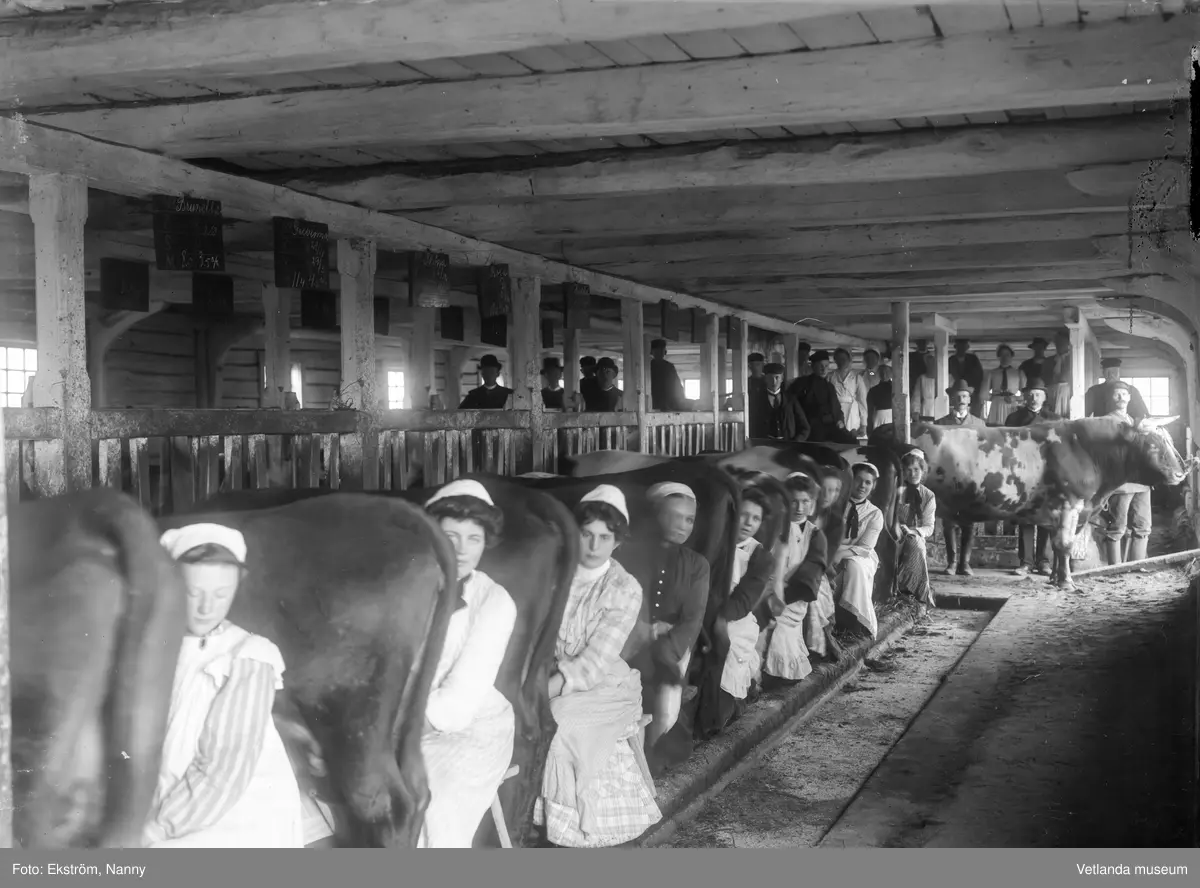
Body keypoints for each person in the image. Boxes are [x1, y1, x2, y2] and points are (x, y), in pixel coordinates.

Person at [145, 524, 304, 848]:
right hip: (170, 808)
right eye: (193, 593)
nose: (207, 608)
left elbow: (224, 771)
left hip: (232, 822)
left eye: (221, 594)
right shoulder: (158, 648)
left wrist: (155, 830)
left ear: (237, 586)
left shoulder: (248, 657)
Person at [534, 485, 661, 848]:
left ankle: (582, 829)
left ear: (617, 541)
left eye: (604, 537)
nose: (593, 546)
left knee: (560, 720)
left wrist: (542, 691)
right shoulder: (555, 575)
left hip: (603, 682)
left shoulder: (624, 588)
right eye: (586, 534)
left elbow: (593, 663)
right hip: (550, 671)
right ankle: (535, 818)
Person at [419, 480, 518, 847]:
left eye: (473, 538)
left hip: (472, 724)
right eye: (450, 536)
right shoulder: (406, 584)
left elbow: (460, 699)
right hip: (401, 717)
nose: (461, 550)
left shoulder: (495, 601)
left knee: (433, 793)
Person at [629, 482, 710, 756]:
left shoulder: (697, 565)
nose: (683, 525)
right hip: (631, 640)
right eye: (674, 516)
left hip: (674, 647)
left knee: (665, 710)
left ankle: (650, 755)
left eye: (689, 519)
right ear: (656, 515)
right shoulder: (633, 555)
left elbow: (692, 619)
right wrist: (644, 635)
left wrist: (666, 653)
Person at [762, 472, 833, 682]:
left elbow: (808, 579)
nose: (799, 507)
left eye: (805, 501)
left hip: (791, 598)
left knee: (778, 631)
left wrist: (776, 599)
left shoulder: (815, 536)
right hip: (762, 590)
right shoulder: (771, 528)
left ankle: (775, 675)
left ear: (812, 505)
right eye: (793, 501)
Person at [715, 486, 777, 724]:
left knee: (729, 647)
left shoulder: (760, 555)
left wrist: (717, 618)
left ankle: (729, 705)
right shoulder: (715, 542)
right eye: (743, 515)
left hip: (735, 617)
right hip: (705, 610)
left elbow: (744, 600)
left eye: (755, 518)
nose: (748, 522)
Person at [1005, 379, 1059, 576]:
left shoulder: (1054, 419)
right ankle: (1026, 562)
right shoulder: (1014, 419)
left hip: (1046, 473)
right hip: (1023, 473)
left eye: (1038, 394)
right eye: (1030, 394)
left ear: (1044, 397)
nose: (1033, 397)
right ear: (1025, 397)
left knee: (1045, 517)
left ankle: (1043, 561)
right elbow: (1008, 446)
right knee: (1026, 517)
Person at [935, 380, 986, 576]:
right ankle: (951, 562)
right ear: (951, 400)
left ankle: (965, 563)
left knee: (968, 521)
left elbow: (983, 452)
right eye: (957, 397)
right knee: (949, 521)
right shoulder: (940, 424)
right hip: (949, 479)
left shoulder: (979, 424)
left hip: (970, 479)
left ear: (969, 399)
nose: (961, 400)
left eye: (964, 396)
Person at [1101, 382, 1153, 565]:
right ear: (1111, 398)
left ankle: (1138, 566)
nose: (1121, 398)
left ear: (1130, 398)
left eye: (1124, 394)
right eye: (1117, 394)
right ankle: (1114, 570)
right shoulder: (1106, 422)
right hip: (1121, 482)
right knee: (1117, 526)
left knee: (1143, 525)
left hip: (1142, 481)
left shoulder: (1136, 421)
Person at [832, 464, 884, 639]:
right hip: (831, 549)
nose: (862, 486)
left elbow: (865, 547)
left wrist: (840, 554)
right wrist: (833, 552)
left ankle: (854, 621)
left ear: (873, 486)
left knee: (854, 566)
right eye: (858, 480)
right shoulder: (836, 504)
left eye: (868, 482)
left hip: (861, 555)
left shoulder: (874, 513)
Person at [786, 350, 858, 445]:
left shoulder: (829, 386)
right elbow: (793, 404)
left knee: (852, 442)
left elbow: (836, 408)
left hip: (831, 424)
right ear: (813, 367)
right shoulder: (802, 384)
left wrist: (840, 420)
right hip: (812, 426)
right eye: (820, 366)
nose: (824, 369)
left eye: (826, 366)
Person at [894, 451, 936, 607]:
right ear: (903, 471)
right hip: (892, 532)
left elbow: (929, 527)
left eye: (916, 469)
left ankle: (914, 595)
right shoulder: (896, 490)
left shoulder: (928, 495)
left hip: (913, 534)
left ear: (923, 470)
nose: (912, 474)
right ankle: (891, 590)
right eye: (908, 470)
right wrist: (896, 526)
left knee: (916, 545)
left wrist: (913, 531)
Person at [748, 361, 810, 441]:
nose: (774, 382)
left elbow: (805, 427)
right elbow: (751, 426)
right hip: (765, 446)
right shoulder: (757, 400)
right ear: (765, 379)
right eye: (770, 378)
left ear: (782, 379)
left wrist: (795, 442)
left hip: (787, 445)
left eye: (777, 378)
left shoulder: (791, 399)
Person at [1086, 357, 1149, 422]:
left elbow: (1142, 415)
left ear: (1119, 372)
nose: (1111, 375)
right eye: (1107, 372)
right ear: (1103, 373)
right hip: (1102, 426)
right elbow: (1083, 413)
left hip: (1127, 426)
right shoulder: (1094, 391)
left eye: (1114, 372)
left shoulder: (1132, 390)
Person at [830, 347, 869, 437]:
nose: (841, 362)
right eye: (839, 359)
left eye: (844, 359)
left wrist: (864, 424)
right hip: (835, 411)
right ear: (835, 360)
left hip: (852, 412)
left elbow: (862, 401)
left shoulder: (857, 377)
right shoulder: (830, 376)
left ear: (849, 360)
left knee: (851, 436)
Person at [985, 344, 1024, 426]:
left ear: (1011, 356)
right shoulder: (992, 373)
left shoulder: (1018, 373)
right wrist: (993, 398)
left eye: (1007, 355)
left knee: (1012, 426)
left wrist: (1015, 398)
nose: (1005, 357)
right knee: (996, 427)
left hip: (1012, 404)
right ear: (998, 357)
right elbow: (983, 393)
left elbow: (1025, 394)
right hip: (996, 404)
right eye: (1002, 355)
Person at [948, 338, 985, 418]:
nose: (961, 349)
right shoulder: (951, 360)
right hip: (956, 390)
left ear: (967, 348)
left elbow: (979, 375)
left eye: (963, 347)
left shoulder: (973, 359)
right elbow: (947, 375)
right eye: (959, 346)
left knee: (974, 413)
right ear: (955, 347)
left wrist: (975, 390)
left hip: (972, 390)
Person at [649, 339, 690, 412]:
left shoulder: (668, 367)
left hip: (666, 406)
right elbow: (678, 388)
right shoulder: (648, 367)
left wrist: (680, 402)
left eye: (661, 350)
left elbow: (677, 387)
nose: (659, 352)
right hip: (656, 405)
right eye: (657, 350)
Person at [1045, 329, 1073, 418]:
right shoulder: (1049, 361)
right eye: (1057, 343)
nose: (1059, 345)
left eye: (1062, 342)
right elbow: (1045, 378)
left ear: (1068, 343)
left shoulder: (1073, 359)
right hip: (1052, 391)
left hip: (1068, 392)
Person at [866, 364, 893, 431]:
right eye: (882, 372)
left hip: (887, 416)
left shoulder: (873, 390)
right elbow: (870, 410)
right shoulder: (895, 389)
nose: (884, 374)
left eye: (886, 372)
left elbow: (870, 410)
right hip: (882, 417)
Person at [914, 356, 938, 422]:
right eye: (929, 363)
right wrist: (916, 411)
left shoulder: (946, 378)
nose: (932, 365)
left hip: (942, 410)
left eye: (933, 363)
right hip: (926, 412)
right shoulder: (922, 378)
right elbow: (916, 396)